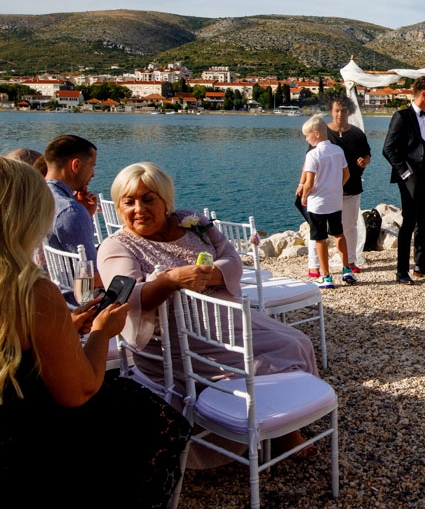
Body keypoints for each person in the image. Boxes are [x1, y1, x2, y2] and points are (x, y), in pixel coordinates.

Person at [96, 162, 317, 465]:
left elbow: (234, 261)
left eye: (148, 199)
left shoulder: (194, 224)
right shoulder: (116, 247)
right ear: (119, 205)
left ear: (165, 200)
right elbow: (128, 298)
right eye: (129, 201)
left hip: (224, 320)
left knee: (297, 341)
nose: (139, 209)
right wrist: (170, 281)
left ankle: (279, 420)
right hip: (175, 341)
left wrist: (207, 274)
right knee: (272, 358)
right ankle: (273, 429)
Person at [0, 157, 191, 506]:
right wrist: (103, 331)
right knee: (158, 419)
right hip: (24, 430)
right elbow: (81, 390)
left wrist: (63, 329)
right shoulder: (29, 290)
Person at [382, 76, 425, 285]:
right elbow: (388, 149)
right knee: (409, 223)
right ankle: (401, 270)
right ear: (424, 94)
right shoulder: (401, 116)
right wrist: (405, 173)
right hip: (410, 179)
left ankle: (420, 265)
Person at [42, 134, 103, 303]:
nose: (93, 174)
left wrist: (86, 214)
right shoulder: (70, 211)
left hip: (52, 292)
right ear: (76, 165)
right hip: (80, 301)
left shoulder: (37, 197)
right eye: (91, 166)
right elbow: (93, 277)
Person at [298, 114, 354, 287]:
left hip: (318, 202)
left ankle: (326, 276)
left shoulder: (313, 155)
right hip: (335, 199)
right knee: (339, 234)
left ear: (316, 133)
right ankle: (346, 270)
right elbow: (347, 174)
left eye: (307, 136)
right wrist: (336, 186)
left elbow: (309, 182)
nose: (306, 139)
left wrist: (304, 196)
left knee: (320, 239)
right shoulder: (338, 151)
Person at [326, 94, 372, 274]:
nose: (340, 114)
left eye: (343, 111)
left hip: (352, 187)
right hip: (328, 188)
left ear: (349, 112)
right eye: (336, 110)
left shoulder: (357, 134)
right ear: (331, 111)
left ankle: (351, 260)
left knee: (350, 225)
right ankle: (319, 264)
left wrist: (364, 162)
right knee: (325, 227)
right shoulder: (323, 133)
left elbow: (367, 155)